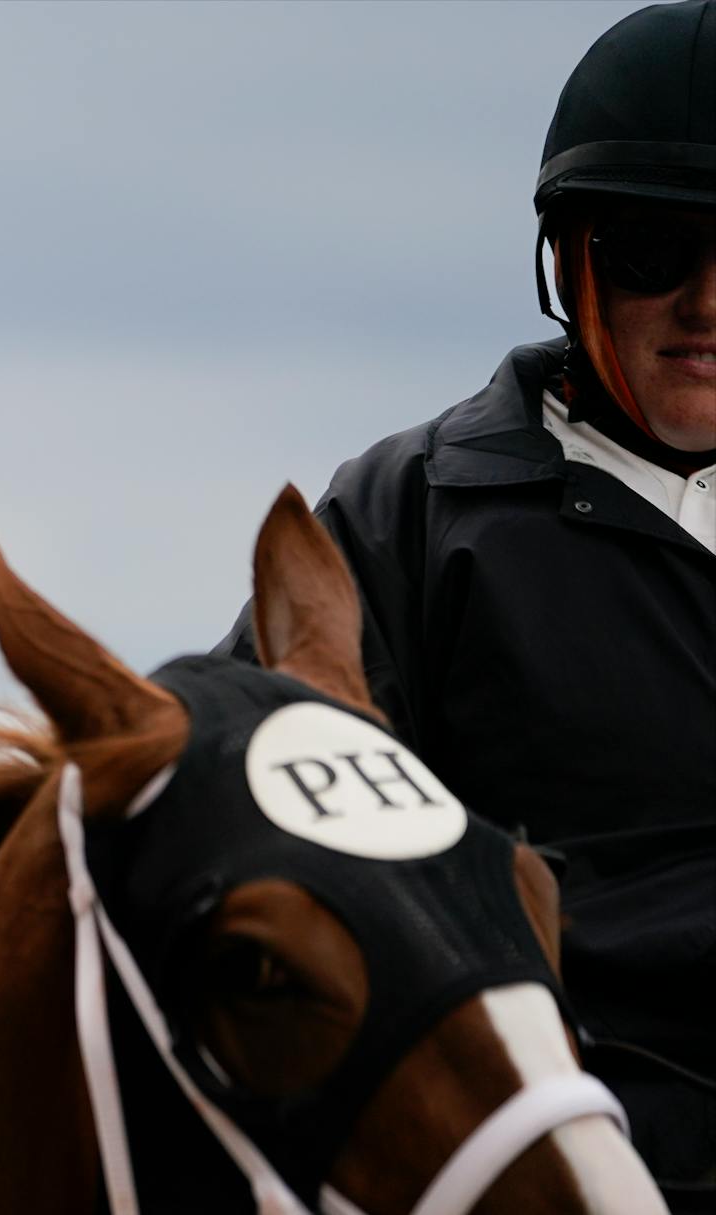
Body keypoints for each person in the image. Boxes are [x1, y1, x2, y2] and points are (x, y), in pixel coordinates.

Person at [219, 1, 716, 1197]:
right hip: (555, 1154)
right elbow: (254, 860)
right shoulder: (412, 518)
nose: (706, 302)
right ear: (566, 255)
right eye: (655, 249)